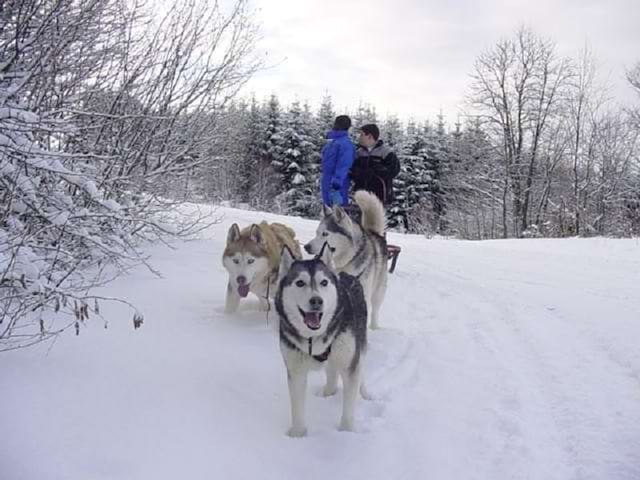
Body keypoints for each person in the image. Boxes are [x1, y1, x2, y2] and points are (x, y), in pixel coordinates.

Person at [351, 123, 400, 205]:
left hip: (380, 196)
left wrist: (377, 171)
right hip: (361, 197)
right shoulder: (359, 153)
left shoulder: (386, 153)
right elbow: (352, 171)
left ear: (369, 136)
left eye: (362, 135)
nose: (359, 137)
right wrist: (358, 173)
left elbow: (394, 169)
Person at [321, 115, 355, 207]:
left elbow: (344, 166)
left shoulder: (345, 144)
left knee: (338, 217)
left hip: (337, 187)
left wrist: (336, 185)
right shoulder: (332, 142)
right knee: (329, 216)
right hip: (328, 184)